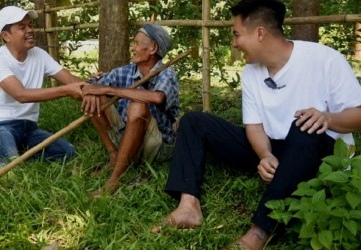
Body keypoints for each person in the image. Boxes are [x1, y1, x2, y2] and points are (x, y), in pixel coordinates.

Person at [154, 0, 361, 249]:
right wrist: (264, 155)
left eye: (236, 34)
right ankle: (188, 206)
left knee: (303, 126)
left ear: (260, 33)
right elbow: (254, 126)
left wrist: (328, 118)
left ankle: (260, 231)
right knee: (194, 121)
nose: (233, 43)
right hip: (275, 150)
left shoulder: (325, 59)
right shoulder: (251, 72)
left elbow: (357, 116)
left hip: (320, 152)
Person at [0, 6, 86, 167]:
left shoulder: (39, 54)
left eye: (30, 25)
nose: (30, 30)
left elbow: (70, 79)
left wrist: (91, 85)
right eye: (22, 27)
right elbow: (21, 95)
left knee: (67, 152)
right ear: (6, 36)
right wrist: (65, 91)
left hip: (28, 127)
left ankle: (7, 150)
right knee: (10, 165)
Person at [81, 24, 179, 197]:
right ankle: (114, 156)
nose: (132, 48)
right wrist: (91, 86)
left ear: (152, 48)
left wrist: (110, 90)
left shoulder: (167, 73)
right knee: (94, 97)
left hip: (153, 146)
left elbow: (157, 98)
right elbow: (93, 86)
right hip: (126, 135)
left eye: (137, 43)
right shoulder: (126, 71)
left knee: (138, 105)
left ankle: (113, 181)